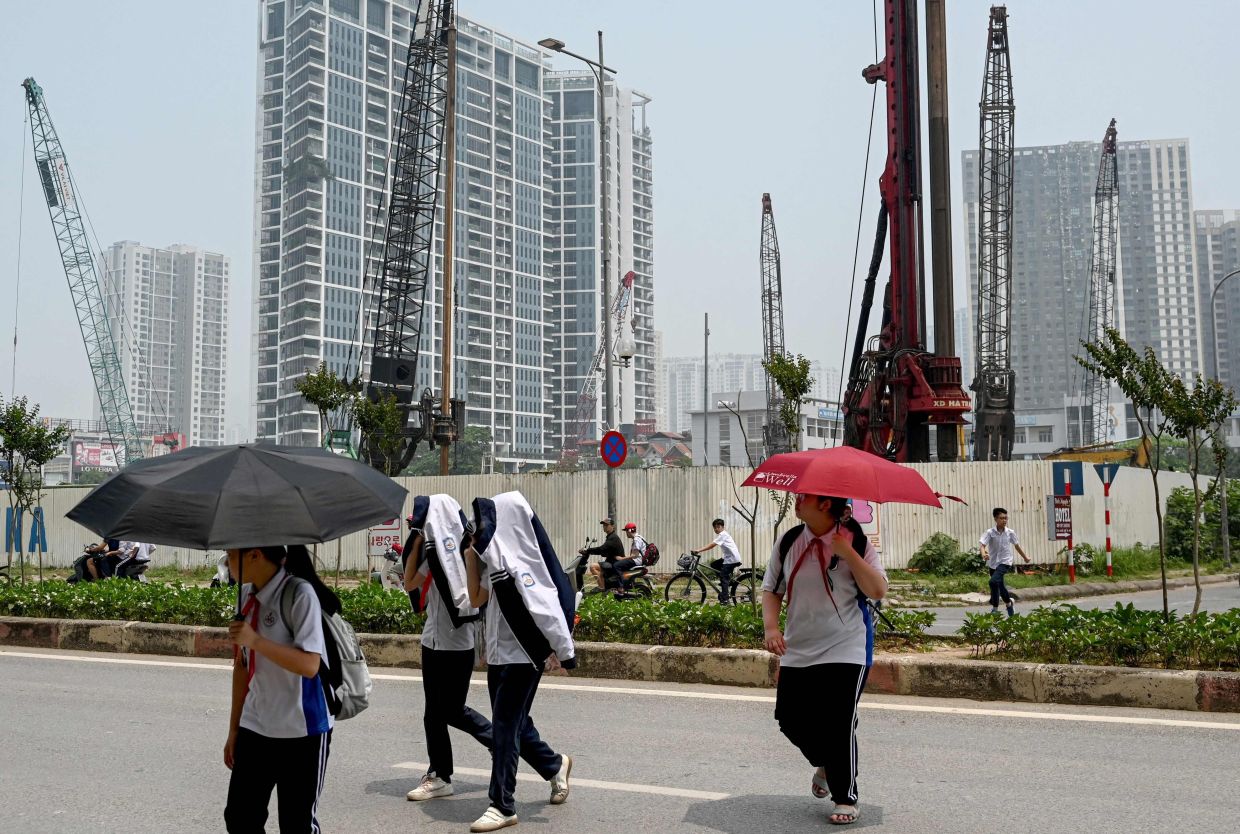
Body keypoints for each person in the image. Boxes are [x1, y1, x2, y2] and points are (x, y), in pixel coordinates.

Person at [762, 494, 888, 826]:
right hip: (799, 648)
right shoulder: (789, 540)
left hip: (847, 646)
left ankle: (846, 797)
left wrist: (847, 554)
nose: (798, 501)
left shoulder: (856, 540)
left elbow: (877, 590)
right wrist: (772, 628)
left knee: (839, 721)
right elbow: (772, 589)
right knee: (789, 719)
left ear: (823, 505)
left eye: (805, 496)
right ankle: (827, 761)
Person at [463, 492, 573, 832]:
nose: (483, 526)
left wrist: (564, 652)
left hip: (523, 656)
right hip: (498, 655)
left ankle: (502, 804)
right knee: (515, 722)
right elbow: (477, 598)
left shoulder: (525, 565)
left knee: (505, 726)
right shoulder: (496, 559)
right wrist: (471, 556)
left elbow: (548, 609)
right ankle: (554, 765)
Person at [223, 544, 338, 833]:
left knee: (297, 825)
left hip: (302, 729)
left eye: (230, 554)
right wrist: (234, 729)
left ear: (255, 555)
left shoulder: (299, 594)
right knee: (240, 818)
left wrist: (256, 641)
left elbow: (310, 665)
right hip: (256, 725)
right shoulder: (246, 598)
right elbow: (242, 667)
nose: (226, 561)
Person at [402, 498, 494, 803]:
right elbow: (409, 581)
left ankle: (499, 741)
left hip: (458, 646)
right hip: (432, 642)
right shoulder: (433, 557)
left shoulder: (462, 556)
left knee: (452, 710)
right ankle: (440, 775)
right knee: (433, 714)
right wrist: (416, 540)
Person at [979, 507, 1030, 617]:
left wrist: (1025, 557)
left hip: (1005, 562)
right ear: (996, 519)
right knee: (1000, 587)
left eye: (1006, 518)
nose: (1005, 520)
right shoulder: (990, 532)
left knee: (993, 582)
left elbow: (1017, 546)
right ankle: (1009, 603)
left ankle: (995, 608)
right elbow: (982, 545)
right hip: (993, 563)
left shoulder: (1010, 532)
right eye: (1002, 518)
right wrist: (984, 554)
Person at [691, 518, 741, 604]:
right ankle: (727, 581)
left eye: (718, 527)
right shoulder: (723, 535)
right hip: (729, 558)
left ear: (722, 527)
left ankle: (725, 599)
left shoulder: (723, 535)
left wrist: (698, 550)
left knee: (723, 577)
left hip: (731, 560)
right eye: (714, 527)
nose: (716, 529)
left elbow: (712, 545)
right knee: (714, 564)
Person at [580, 518, 625, 591]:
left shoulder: (613, 538)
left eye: (607, 525)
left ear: (613, 526)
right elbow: (605, 551)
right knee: (600, 569)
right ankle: (605, 585)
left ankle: (602, 587)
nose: (604, 526)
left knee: (593, 567)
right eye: (604, 525)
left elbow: (602, 549)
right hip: (612, 561)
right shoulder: (610, 537)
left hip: (614, 563)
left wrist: (588, 551)